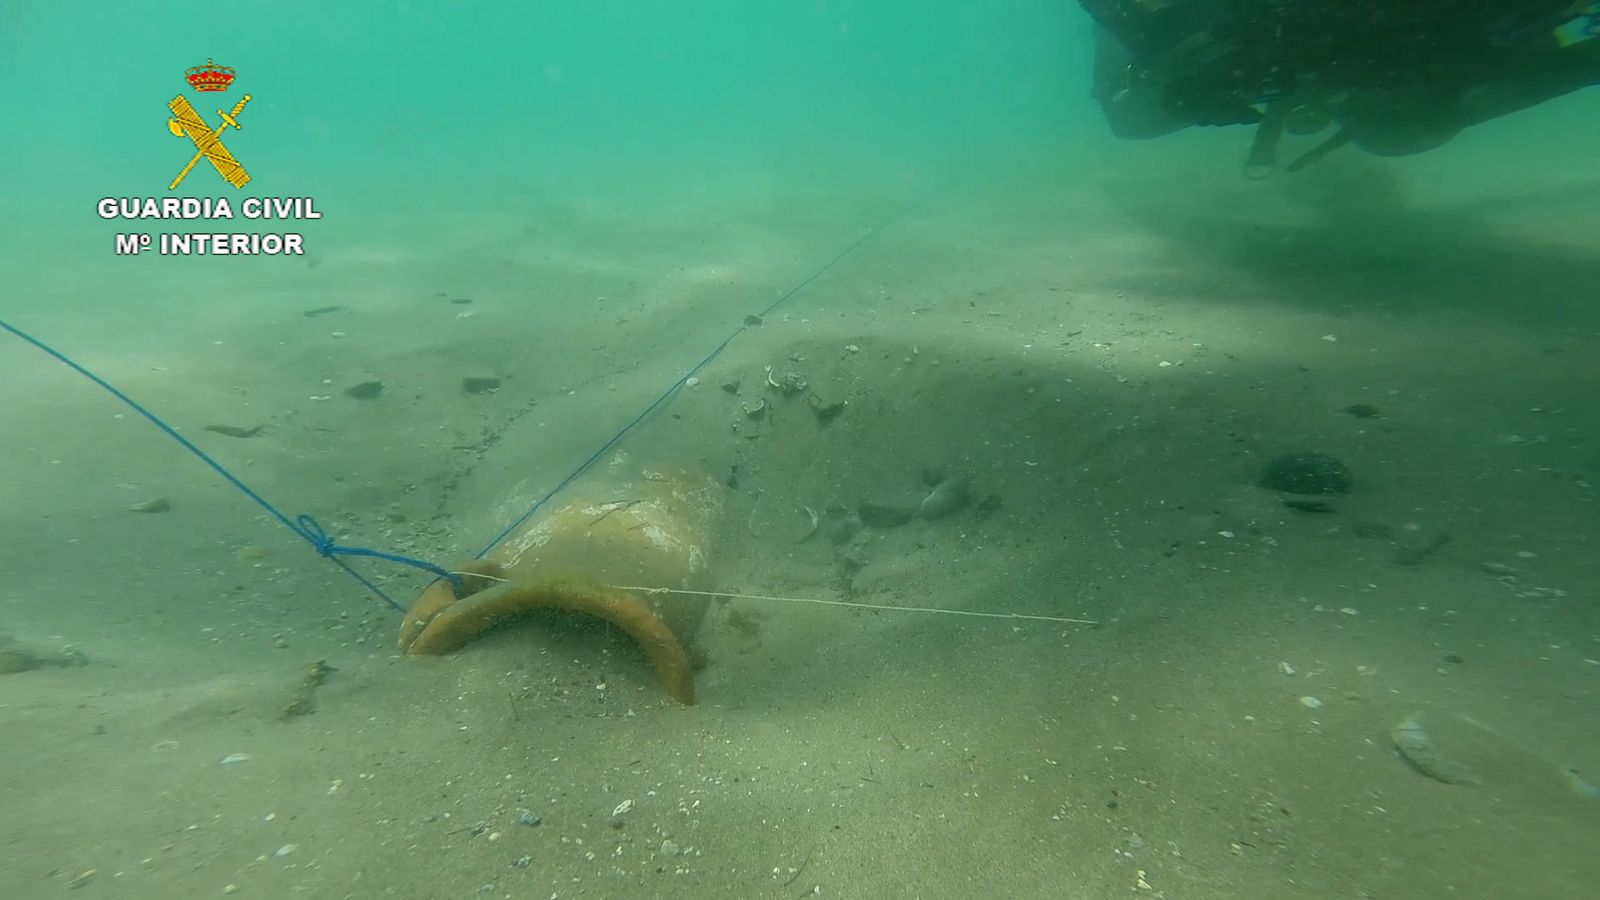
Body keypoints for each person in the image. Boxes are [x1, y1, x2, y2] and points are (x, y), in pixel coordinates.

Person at [1080, 0, 1600, 174]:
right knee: (1132, 116)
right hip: (1272, 49)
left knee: (1399, 125)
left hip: (1382, 59)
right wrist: (1178, 84)